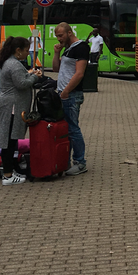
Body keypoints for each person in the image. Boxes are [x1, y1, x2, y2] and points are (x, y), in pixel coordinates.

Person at [0, 36, 43, 185]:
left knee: (10, 141)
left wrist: (30, 74)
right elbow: (21, 83)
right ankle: (7, 175)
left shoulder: (10, 62)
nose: (28, 53)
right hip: (11, 107)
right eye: (26, 50)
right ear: (18, 50)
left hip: (8, 105)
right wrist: (35, 77)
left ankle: (10, 171)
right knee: (9, 141)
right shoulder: (13, 64)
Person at [53, 22, 89, 175]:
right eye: (57, 36)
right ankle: (66, 161)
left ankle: (80, 162)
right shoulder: (67, 48)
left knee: (73, 129)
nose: (59, 39)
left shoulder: (81, 47)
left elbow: (79, 73)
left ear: (69, 33)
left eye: (61, 35)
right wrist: (56, 53)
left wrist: (66, 91)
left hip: (71, 94)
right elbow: (56, 69)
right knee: (67, 129)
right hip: (64, 93)